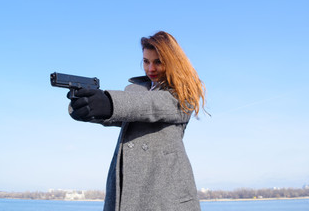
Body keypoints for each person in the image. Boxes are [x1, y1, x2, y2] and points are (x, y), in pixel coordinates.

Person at [68, 31, 206, 211]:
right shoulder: (136, 90)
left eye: (158, 62)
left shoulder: (183, 94)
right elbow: (123, 112)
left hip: (166, 196)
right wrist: (85, 107)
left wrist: (108, 102)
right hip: (127, 188)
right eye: (146, 61)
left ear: (172, 61)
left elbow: (150, 106)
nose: (150, 69)